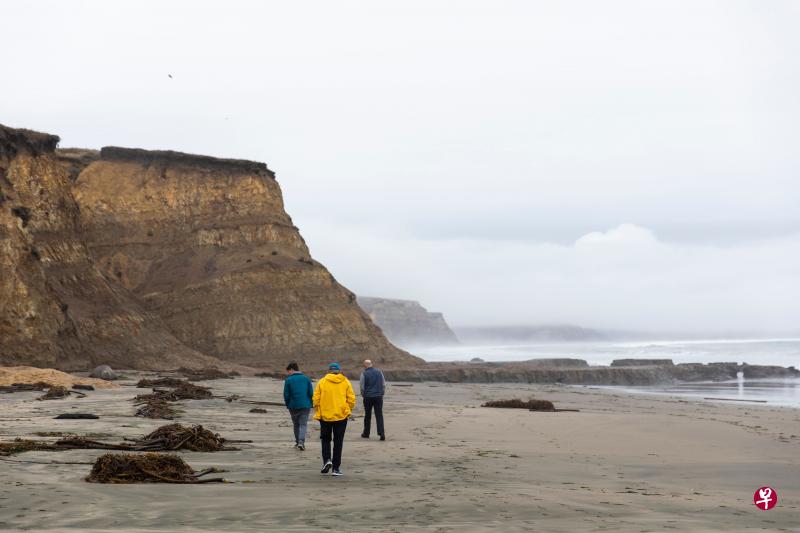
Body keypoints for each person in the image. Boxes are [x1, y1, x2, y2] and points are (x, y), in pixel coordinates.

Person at [312, 362, 355, 477]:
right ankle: (336, 468)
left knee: (325, 439)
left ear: (329, 371)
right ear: (339, 371)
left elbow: (315, 398)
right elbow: (351, 399)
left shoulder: (322, 382)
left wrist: (318, 410)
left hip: (325, 416)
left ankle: (327, 460)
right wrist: (347, 409)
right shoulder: (345, 381)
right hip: (341, 416)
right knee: (338, 442)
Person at [283, 361, 313, 451]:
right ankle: (301, 442)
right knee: (303, 425)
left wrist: (288, 404)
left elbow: (286, 394)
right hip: (305, 406)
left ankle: (297, 442)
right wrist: (311, 403)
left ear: (292, 369)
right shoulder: (307, 379)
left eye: (288, 371)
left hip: (293, 406)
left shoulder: (288, 380)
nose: (288, 373)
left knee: (296, 424)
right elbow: (311, 393)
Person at [359, 359, 386, 441]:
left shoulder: (363, 374)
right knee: (379, 415)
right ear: (371, 364)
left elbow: (362, 387)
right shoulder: (379, 372)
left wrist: (363, 395)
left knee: (367, 415)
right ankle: (382, 433)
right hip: (378, 396)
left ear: (365, 365)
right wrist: (382, 393)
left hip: (368, 397)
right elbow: (384, 384)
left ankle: (366, 433)